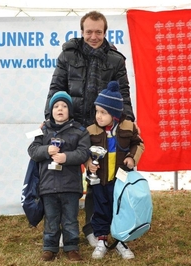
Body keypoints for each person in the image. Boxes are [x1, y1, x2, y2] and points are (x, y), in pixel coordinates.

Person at [44, 10, 136, 247]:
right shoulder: (67, 56)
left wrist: (129, 121)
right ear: (82, 31)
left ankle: (95, 228)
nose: (93, 36)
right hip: (71, 128)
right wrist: (49, 118)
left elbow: (123, 95)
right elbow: (56, 89)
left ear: (105, 32)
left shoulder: (116, 60)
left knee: (99, 178)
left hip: (101, 129)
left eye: (98, 32)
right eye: (89, 32)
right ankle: (67, 229)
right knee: (67, 179)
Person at [28, 91, 90, 262]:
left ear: (70, 110)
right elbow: (32, 151)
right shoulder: (43, 130)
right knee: (51, 219)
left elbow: (84, 153)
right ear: (51, 110)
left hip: (70, 185)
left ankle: (72, 247)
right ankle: (49, 247)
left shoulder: (79, 131)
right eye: (56, 106)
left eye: (64, 106)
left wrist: (66, 158)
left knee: (70, 219)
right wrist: (46, 150)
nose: (60, 109)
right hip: (48, 185)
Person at [86, 81, 144, 259]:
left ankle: (121, 241)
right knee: (101, 209)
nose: (99, 116)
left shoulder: (128, 127)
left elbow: (138, 144)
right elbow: (82, 149)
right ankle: (101, 240)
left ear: (115, 115)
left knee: (120, 209)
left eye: (103, 112)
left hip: (120, 181)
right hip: (100, 180)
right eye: (97, 111)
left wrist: (131, 158)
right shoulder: (90, 130)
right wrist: (89, 162)